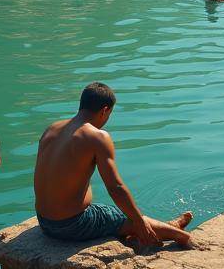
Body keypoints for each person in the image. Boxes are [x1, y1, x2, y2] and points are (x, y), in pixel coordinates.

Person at [33, 82, 193, 246]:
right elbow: (115, 188)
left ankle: (162, 227)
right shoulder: (97, 137)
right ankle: (178, 234)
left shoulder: (52, 129)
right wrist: (138, 221)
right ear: (105, 111)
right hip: (73, 225)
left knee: (113, 213)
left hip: (44, 222)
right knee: (124, 216)